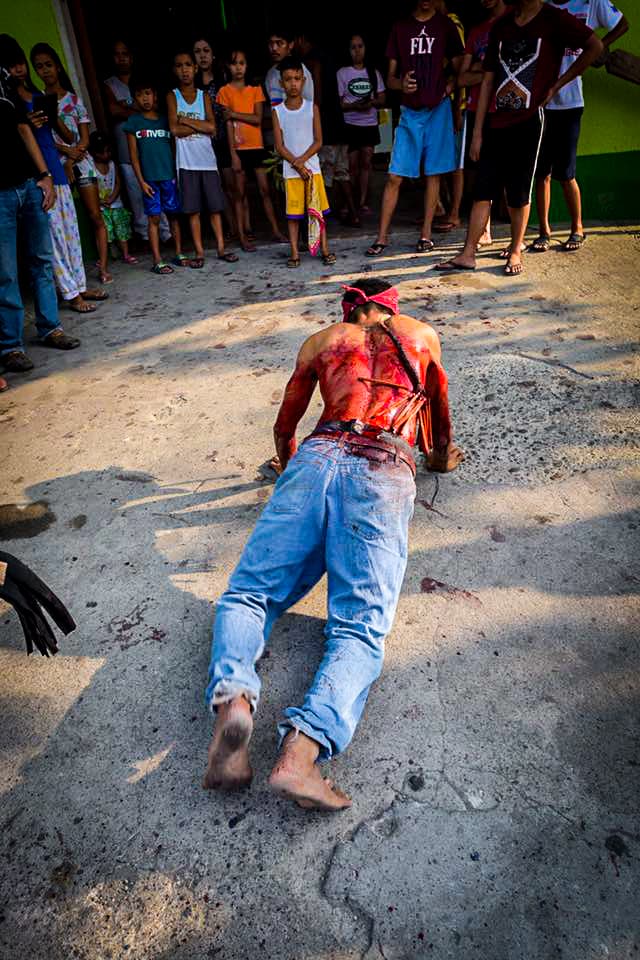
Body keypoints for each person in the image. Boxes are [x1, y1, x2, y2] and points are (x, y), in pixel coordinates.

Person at [202, 277, 464, 809]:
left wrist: (286, 462)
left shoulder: (321, 343)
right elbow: (438, 415)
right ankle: (300, 755)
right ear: (391, 307)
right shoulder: (422, 336)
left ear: (348, 310)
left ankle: (234, 700)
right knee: (359, 629)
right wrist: (439, 458)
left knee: (249, 593)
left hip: (317, 456)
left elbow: (286, 423)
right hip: (383, 465)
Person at [435, 0, 601, 277]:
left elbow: (595, 46)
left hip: (529, 122)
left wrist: (559, 84)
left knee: (518, 191)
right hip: (495, 120)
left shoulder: (554, 19)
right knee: (483, 189)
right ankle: (468, 254)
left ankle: (514, 249)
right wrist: (477, 132)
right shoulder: (502, 25)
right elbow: (487, 79)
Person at [6, 38, 105, 315]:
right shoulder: (10, 104)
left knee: (71, 234)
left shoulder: (37, 97)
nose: (18, 70)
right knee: (55, 240)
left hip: (58, 173)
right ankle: (70, 293)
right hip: (39, 176)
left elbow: (68, 135)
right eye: (12, 65)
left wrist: (51, 116)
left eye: (20, 64)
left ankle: (81, 285)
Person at [0, 55, 80, 376]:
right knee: (6, 271)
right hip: (0, 193)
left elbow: (23, 128)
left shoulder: (4, 84)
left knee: (41, 259)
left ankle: (51, 327)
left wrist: (45, 174)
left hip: (28, 183)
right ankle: (11, 346)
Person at [365, 0, 464, 257]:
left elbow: (460, 66)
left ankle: (426, 235)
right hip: (410, 111)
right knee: (395, 174)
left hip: (438, 109)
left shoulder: (445, 25)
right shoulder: (401, 28)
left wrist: (451, 86)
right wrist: (401, 85)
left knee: (434, 173)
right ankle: (382, 237)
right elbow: (390, 79)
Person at [531, 0, 629, 253]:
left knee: (566, 173)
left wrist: (598, 48)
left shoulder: (590, 2)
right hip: (542, 102)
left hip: (571, 103)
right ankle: (544, 231)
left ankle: (577, 228)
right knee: (541, 172)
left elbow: (622, 24)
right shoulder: (543, 6)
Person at [31, 43, 111, 285]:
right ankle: (72, 277)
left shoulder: (73, 100)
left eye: (48, 65)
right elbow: (42, 140)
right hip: (55, 166)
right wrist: (65, 154)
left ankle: (104, 267)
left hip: (81, 161)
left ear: (57, 66)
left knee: (95, 215)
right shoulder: (38, 101)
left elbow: (83, 138)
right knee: (63, 223)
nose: (45, 71)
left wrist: (72, 155)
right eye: (39, 67)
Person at [168, 49, 238, 267]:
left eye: (188, 65)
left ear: (195, 68)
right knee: (193, 210)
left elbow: (212, 127)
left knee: (215, 208)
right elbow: (174, 129)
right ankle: (199, 252)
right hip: (186, 163)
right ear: (175, 70)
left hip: (207, 161)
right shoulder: (173, 96)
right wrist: (199, 126)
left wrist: (185, 121)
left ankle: (220, 248)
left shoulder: (203, 96)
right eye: (179, 65)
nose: (184, 70)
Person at [217, 48, 288, 251]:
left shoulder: (255, 89)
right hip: (238, 148)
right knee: (239, 194)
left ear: (247, 66)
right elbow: (227, 124)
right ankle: (242, 237)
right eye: (234, 63)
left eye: (242, 63)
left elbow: (257, 119)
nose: (238, 67)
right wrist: (233, 154)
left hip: (256, 146)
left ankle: (275, 231)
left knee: (266, 191)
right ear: (228, 67)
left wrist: (234, 113)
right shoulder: (224, 92)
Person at [104, 39, 171, 245]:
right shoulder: (109, 84)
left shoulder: (142, 81)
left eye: (125, 53)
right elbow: (113, 110)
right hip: (127, 150)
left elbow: (147, 109)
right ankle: (144, 235)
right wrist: (135, 110)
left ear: (132, 57)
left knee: (161, 191)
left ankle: (166, 233)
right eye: (117, 54)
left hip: (152, 151)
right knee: (136, 191)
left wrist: (127, 107)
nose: (121, 58)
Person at [272, 57, 335, 268]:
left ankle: (324, 250)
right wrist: (297, 164)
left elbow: (319, 141)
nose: (293, 83)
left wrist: (302, 161)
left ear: (304, 80)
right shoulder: (277, 112)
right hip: (292, 173)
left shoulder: (312, 108)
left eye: (297, 79)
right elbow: (279, 146)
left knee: (317, 212)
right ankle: (294, 253)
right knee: (294, 214)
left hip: (313, 169)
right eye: (288, 79)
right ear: (281, 83)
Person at [456, 0, 509, 247]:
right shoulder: (477, 32)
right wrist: (486, 72)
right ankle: (484, 230)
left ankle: (519, 236)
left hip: (508, 109)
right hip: (478, 110)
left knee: (511, 170)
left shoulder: (515, 20)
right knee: (480, 171)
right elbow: (462, 78)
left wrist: (481, 70)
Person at [123, 77, 185, 275]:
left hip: (168, 176)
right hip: (149, 180)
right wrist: (141, 182)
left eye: (148, 93)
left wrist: (176, 174)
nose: (145, 99)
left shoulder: (166, 121)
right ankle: (157, 259)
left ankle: (179, 252)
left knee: (174, 216)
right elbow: (134, 157)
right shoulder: (133, 123)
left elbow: (175, 149)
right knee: (154, 218)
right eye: (140, 95)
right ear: (134, 99)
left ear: (155, 95)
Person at [193, 34, 241, 240]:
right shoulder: (191, 87)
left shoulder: (222, 82)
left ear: (213, 55)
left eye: (206, 51)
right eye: (197, 51)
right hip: (200, 143)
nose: (202, 55)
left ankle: (236, 228)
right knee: (212, 190)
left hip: (223, 140)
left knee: (231, 187)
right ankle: (220, 231)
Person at [337, 34, 385, 215]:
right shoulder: (342, 73)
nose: (357, 51)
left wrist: (370, 103)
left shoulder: (373, 73)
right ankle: (349, 202)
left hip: (369, 124)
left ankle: (363, 201)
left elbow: (382, 98)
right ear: (348, 51)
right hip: (350, 124)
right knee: (351, 165)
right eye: (353, 47)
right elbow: (339, 103)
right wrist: (354, 106)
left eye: (360, 46)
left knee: (366, 163)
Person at [89, 131, 137, 267]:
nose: (107, 155)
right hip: (100, 207)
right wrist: (98, 201)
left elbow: (118, 183)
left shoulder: (112, 164)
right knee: (104, 231)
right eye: (104, 152)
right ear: (94, 153)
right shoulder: (90, 167)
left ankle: (126, 254)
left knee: (121, 229)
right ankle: (104, 256)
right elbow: (89, 188)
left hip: (116, 204)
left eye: (109, 151)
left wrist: (112, 197)